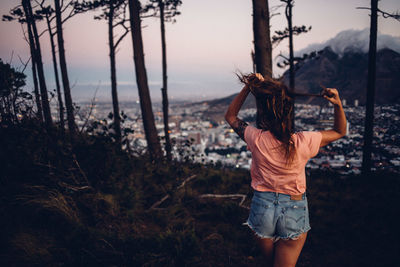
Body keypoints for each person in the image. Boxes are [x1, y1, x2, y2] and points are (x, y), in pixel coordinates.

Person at [224, 73, 347, 267]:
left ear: (263, 113)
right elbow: (340, 131)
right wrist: (338, 104)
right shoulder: (304, 141)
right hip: (294, 209)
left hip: (262, 208)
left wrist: (248, 87)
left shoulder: (256, 138)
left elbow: (230, 116)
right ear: (289, 111)